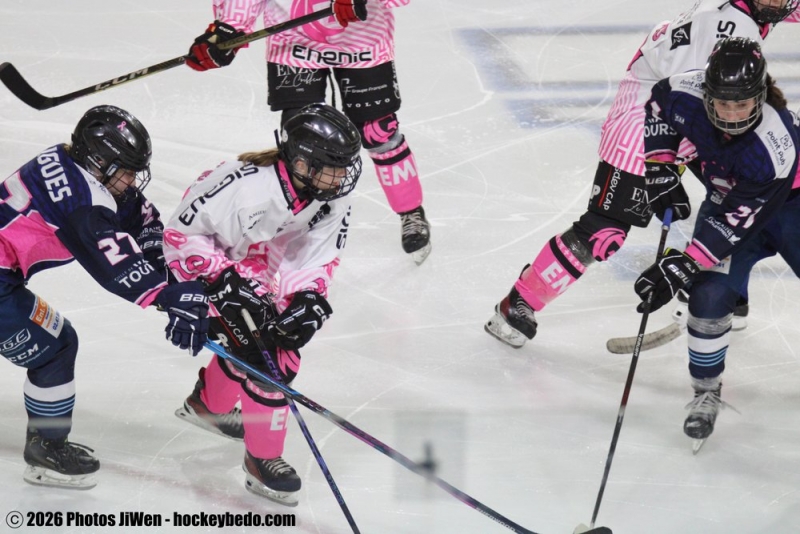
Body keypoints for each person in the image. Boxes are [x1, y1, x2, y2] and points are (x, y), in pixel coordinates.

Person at [484, 0, 800, 348]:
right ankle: (519, 302)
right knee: (606, 228)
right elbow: (683, 97)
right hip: (649, 113)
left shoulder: (746, 10)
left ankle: (727, 290)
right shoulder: (730, 26)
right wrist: (663, 166)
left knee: (751, 191)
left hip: (700, 108)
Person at [0, 105, 210, 489]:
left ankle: (46, 440)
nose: (132, 181)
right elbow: (117, 266)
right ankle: (47, 449)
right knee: (57, 348)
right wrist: (167, 295)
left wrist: (162, 266)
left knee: (57, 342)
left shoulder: (74, 163)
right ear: (99, 162)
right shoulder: (82, 202)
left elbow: (139, 219)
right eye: (126, 171)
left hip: (4, 278)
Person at [164, 103, 362, 506]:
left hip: (253, 267)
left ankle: (208, 406)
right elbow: (178, 237)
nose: (342, 177)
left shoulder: (327, 194)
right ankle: (263, 458)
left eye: (345, 167)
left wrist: (307, 297)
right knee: (274, 359)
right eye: (332, 167)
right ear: (302, 163)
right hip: (198, 268)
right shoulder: (247, 188)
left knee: (275, 335)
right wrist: (221, 278)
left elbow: (314, 256)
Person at [632, 37, 799, 447]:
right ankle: (705, 391)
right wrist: (659, 168)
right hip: (730, 198)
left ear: (760, 96)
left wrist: (684, 263)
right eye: (722, 104)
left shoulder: (773, 146)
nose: (731, 114)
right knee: (707, 298)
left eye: (741, 105)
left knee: (701, 270)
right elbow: (657, 105)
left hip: (789, 205)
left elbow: (735, 223)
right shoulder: (683, 93)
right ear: (707, 93)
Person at [184, 0, 432, 265]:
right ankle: (295, 223)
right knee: (300, 141)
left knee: (377, 132)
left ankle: (410, 211)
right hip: (293, 41)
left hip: (362, 40)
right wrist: (227, 30)